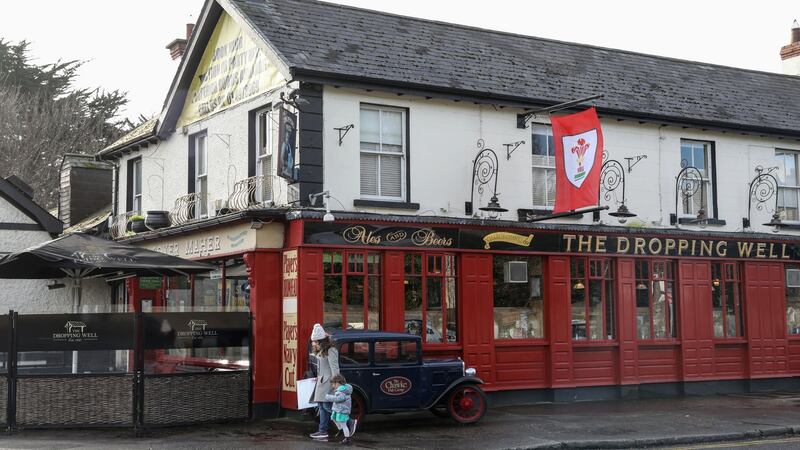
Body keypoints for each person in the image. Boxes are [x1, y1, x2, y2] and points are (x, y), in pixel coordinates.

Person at [309, 323, 340, 440]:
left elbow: (335, 369)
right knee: (322, 406)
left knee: (327, 406)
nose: (314, 343)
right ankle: (322, 430)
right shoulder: (322, 350)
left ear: (321, 340)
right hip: (322, 382)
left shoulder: (331, 350)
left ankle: (349, 423)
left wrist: (336, 385)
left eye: (315, 341)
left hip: (328, 383)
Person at [326, 374, 358, 445]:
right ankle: (341, 430)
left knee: (343, 424)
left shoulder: (342, 391)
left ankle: (347, 438)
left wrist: (329, 397)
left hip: (342, 410)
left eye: (333, 384)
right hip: (338, 409)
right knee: (334, 418)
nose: (332, 386)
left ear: (338, 382)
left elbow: (339, 399)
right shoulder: (341, 389)